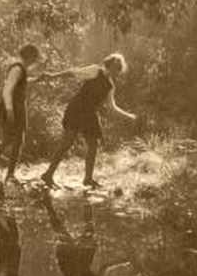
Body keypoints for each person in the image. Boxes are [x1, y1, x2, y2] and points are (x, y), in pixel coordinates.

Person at [41, 52, 136, 188]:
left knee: (93, 145)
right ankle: (48, 174)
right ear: (108, 64)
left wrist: (128, 116)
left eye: (118, 69)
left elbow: (112, 106)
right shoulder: (94, 70)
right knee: (67, 143)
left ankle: (88, 178)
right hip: (77, 108)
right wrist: (52, 76)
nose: (115, 71)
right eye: (114, 67)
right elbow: (72, 72)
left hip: (90, 114)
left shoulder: (110, 85)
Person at [42, 194, 118, 276]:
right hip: (82, 261)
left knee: (62, 233)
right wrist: (122, 262)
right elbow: (104, 268)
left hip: (70, 264)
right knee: (90, 231)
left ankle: (47, 204)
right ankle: (86, 197)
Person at [0, 43, 41, 183]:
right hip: (12, 108)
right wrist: (9, 111)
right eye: (34, 57)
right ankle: (0, 173)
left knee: (15, 140)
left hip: (17, 108)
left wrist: (37, 79)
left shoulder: (22, 69)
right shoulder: (17, 68)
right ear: (29, 56)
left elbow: (21, 83)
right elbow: (7, 90)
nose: (35, 60)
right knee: (9, 140)